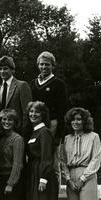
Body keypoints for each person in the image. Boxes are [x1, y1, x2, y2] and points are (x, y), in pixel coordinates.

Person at [29, 51, 68, 183]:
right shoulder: (32, 84)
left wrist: (59, 136)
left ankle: (54, 196)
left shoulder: (58, 84)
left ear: (52, 66)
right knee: (36, 157)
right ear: (38, 65)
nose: (44, 67)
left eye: (47, 64)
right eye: (41, 64)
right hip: (35, 126)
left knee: (53, 160)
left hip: (52, 125)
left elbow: (63, 111)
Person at [0, 56, 32, 135]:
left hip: (18, 131)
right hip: (3, 132)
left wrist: (25, 132)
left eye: (5, 68)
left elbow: (27, 112)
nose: (2, 71)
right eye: (0, 69)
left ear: (12, 70)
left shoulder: (21, 85)